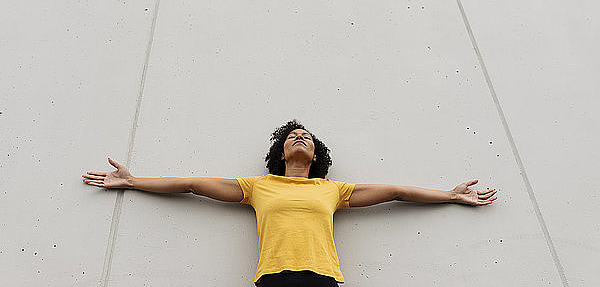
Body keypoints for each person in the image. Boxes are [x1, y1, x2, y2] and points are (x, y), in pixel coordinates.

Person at [82, 119, 498, 286]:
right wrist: (134, 182)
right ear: (281, 152)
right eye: (291, 136)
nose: (300, 138)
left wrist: (450, 195)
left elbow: (395, 193)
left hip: (323, 278)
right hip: (274, 278)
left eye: (308, 138)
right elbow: (192, 183)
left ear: (316, 155)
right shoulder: (258, 186)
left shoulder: (331, 191)